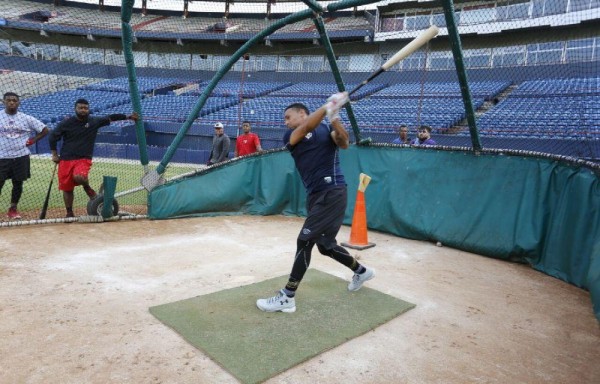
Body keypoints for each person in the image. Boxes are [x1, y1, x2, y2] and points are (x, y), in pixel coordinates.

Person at [256, 92, 375, 313]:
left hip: (332, 191)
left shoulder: (325, 128)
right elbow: (304, 130)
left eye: (288, 117)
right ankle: (361, 271)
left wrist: (335, 117)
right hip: (316, 195)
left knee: (304, 241)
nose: (286, 122)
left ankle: (288, 296)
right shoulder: (291, 136)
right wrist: (327, 106)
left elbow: (344, 142)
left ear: (302, 113)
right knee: (325, 245)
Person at [48, 98, 138, 218]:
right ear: (75, 109)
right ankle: (69, 212)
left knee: (79, 177)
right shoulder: (66, 123)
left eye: (86, 108)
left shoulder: (94, 121)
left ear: (88, 109)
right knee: (67, 189)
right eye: (80, 108)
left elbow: (111, 117)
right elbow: (53, 137)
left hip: (83, 158)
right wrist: (54, 154)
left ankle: (88, 189)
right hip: (66, 159)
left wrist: (128, 117)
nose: (83, 110)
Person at [0, 92, 49, 219]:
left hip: (21, 156)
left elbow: (45, 130)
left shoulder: (25, 118)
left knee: (18, 183)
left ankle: (13, 208)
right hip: (2, 156)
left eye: (15, 100)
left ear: (18, 103)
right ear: (3, 102)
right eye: (9, 100)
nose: (12, 102)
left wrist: (33, 140)